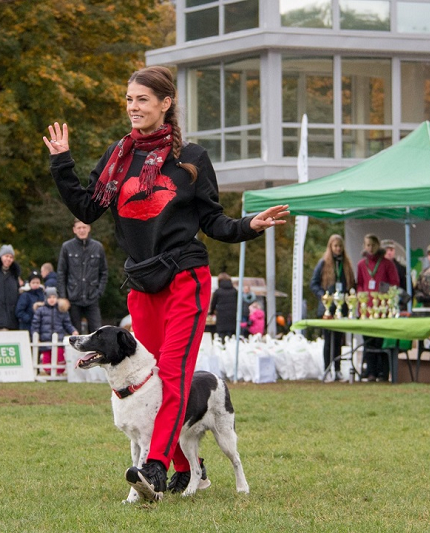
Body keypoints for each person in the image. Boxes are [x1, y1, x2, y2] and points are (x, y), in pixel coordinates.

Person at [44, 65, 287, 500]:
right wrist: (62, 162)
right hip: (142, 282)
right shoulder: (118, 157)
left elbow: (212, 220)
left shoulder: (191, 159)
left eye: (141, 100)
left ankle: (154, 468)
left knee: (172, 373)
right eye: (128, 100)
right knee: (150, 378)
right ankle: (188, 466)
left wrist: (249, 224)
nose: (133, 108)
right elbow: (88, 207)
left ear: (165, 103)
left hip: (185, 277)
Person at [309, 234, 356, 377]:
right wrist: (323, 296)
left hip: (342, 308)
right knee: (328, 340)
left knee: (338, 340)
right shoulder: (323, 263)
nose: (338, 249)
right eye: (335, 246)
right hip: (328, 309)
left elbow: (351, 284)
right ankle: (327, 368)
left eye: (340, 246)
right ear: (330, 247)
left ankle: (338, 368)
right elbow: (313, 283)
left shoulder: (346, 265)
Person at [356, 234, 399, 382]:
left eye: (373, 245)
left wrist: (384, 294)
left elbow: (394, 282)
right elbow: (360, 283)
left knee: (381, 341)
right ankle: (370, 372)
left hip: (382, 308)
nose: (370, 248)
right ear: (364, 246)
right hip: (367, 309)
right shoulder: (361, 264)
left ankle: (383, 372)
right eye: (368, 245)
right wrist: (361, 295)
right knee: (369, 341)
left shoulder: (387, 264)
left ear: (378, 245)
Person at [57, 219, 108, 334]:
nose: (82, 230)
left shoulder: (98, 247)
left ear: (89, 228)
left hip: (92, 297)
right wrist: (63, 296)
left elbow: (104, 272)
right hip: (73, 297)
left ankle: (96, 352)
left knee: (97, 332)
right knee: (74, 333)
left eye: (84, 227)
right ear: (74, 230)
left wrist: (99, 292)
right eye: (79, 228)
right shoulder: (67, 247)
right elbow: (61, 273)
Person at [31, 287, 77, 375]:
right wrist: (35, 334)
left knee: (60, 358)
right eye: (49, 298)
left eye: (54, 297)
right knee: (46, 359)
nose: (52, 300)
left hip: (58, 339)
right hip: (45, 340)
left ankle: (58, 372)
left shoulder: (62, 310)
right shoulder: (40, 310)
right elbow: (35, 324)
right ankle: (49, 372)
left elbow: (67, 324)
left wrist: (73, 331)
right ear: (46, 298)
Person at [209, 272, 238, 340]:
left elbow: (213, 303)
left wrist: (212, 312)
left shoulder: (218, 291)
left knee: (221, 335)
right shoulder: (235, 291)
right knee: (231, 336)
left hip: (221, 315)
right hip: (233, 315)